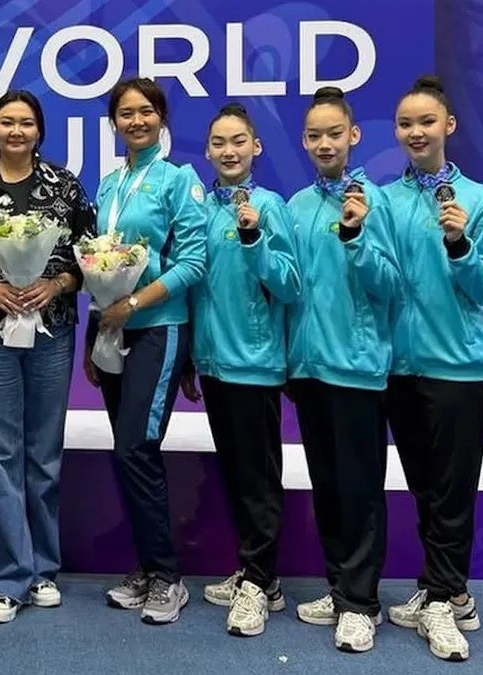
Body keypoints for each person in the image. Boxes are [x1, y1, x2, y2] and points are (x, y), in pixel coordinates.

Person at [0, 90, 93, 623]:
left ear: (39, 131)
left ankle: (44, 569)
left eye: (26, 123)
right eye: (7, 122)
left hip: (52, 330)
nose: (17, 131)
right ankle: (9, 578)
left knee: (44, 452)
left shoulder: (64, 187)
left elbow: (89, 258)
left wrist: (56, 285)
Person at [382, 74, 483, 663]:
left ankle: (442, 596)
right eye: (406, 123)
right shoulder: (383, 200)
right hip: (399, 369)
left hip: (458, 368)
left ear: (448, 126)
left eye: (426, 122)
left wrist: (459, 244)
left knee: (453, 492)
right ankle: (448, 590)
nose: (416, 132)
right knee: (427, 489)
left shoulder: (480, 201)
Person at [286, 86, 400, 653]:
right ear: (304, 142)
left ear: (353, 136)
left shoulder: (374, 201)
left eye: (334, 133)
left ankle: (361, 602)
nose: (324, 143)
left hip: (356, 368)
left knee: (359, 489)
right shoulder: (296, 206)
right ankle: (339, 586)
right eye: (315, 135)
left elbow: (391, 284)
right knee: (328, 486)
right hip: (308, 370)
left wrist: (355, 236)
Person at [90, 77, 207, 625]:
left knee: (135, 447)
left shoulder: (178, 180)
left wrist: (134, 303)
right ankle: (147, 566)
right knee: (128, 449)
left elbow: (193, 263)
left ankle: (166, 577)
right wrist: (98, 333)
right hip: (114, 330)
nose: (136, 121)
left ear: (161, 118)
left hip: (159, 327)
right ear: (114, 123)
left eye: (146, 112)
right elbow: (100, 264)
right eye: (125, 114)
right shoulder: (109, 185)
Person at [183, 102, 300, 637]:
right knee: (235, 473)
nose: (228, 151)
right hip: (214, 363)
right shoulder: (200, 209)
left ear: (256, 147)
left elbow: (289, 284)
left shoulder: (271, 206)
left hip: (255, 364)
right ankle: (257, 573)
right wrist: (191, 355)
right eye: (219, 143)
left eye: (238, 141)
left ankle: (259, 580)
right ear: (208, 152)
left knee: (258, 478)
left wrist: (254, 240)